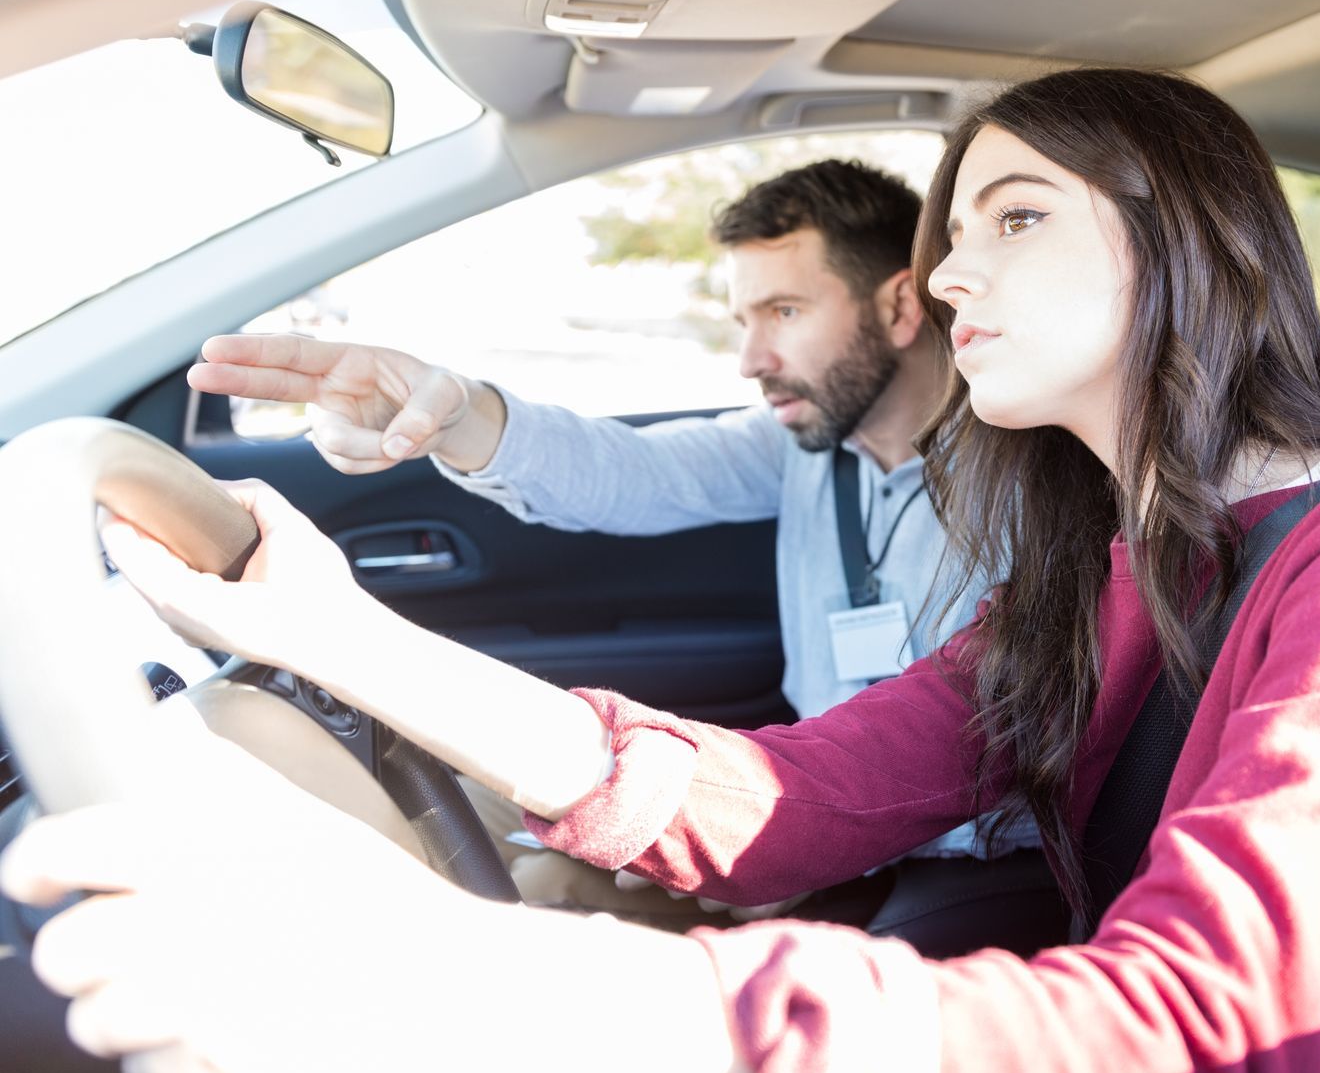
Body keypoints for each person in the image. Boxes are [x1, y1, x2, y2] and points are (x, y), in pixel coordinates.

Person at [3, 67, 1320, 1073]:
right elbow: (805, 795)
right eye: (951, 229)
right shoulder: (1124, 550)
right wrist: (340, 637)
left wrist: (518, 991)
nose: (955, 271)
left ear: (1202, 248)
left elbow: (1202, 1034)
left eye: (1015, 217)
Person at [188, 157, 1040, 924]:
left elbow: (1019, 739)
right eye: (743, 318)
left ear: (899, 304)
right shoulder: (802, 450)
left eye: (783, 311)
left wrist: (789, 844)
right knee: (450, 817)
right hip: (811, 825)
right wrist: (454, 416)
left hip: (959, 858)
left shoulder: (1040, 475)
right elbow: (627, 472)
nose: (750, 358)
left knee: (529, 901)